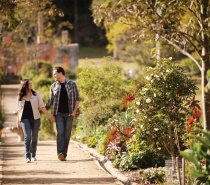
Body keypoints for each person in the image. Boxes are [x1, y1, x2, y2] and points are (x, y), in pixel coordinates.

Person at [17, 79, 53, 163]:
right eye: (29, 84)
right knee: (27, 137)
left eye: (31, 84)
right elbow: (18, 110)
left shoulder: (36, 95)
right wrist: (18, 122)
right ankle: (27, 156)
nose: (31, 85)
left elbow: (42, 107)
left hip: (35, 119)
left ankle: (33, 155)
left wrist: (49, 116)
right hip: (24, 119)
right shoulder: (20, 96)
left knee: (34, 138)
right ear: (25, 85)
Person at [50, 66, 80, 161]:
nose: (54, 75)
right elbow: (51, 102)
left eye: (55, 73)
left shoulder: (72, 84)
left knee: (67, 134)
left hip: (69, 114)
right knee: (60, 132)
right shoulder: (53, 86)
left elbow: (77, 99)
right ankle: (60, 153)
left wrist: (74, 111)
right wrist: (52, 114)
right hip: (58, 114)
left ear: (60, 73)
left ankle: (64, 154)